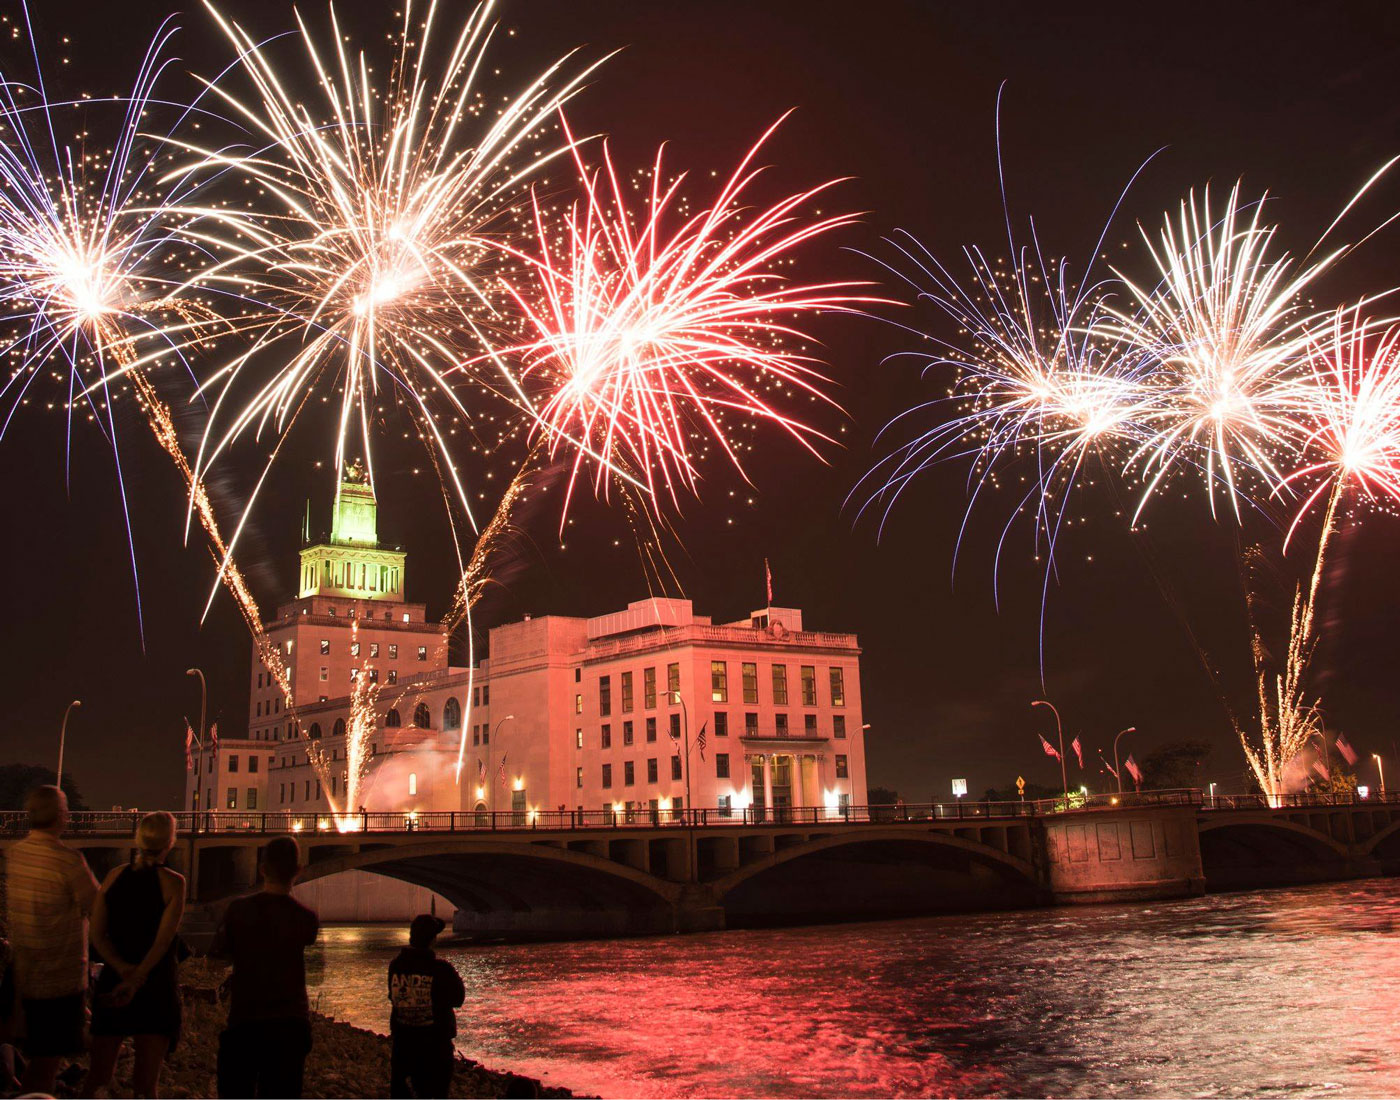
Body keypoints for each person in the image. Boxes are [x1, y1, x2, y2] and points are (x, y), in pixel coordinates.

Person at [2, 785, 98, 1095]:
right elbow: (97, 906)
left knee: (41, 1058)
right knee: (46, 1066)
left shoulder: (16, 854)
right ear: (60, 816)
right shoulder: (67, 860)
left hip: (27, 974)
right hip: (60, 978)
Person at [85, 810, 186, 1098]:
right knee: (145, 1084)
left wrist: (121, 969)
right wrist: (138, 976)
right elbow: (163, 942)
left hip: (114, 979)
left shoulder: (114, 877)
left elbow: (96, 935)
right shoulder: (174, 883)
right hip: (155, 985)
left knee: (97, 1077)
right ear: (170, 842)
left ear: (138, 839)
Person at [211, 835, 319, 1099]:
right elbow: (317, 974)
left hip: (245, 1019)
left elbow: (217, 959)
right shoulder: (306, 918)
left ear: (261, 869)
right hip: (290, 1022)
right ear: (298, 871)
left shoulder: (238, 910)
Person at [387, 914, 465, 1098]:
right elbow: (458, 999)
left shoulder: (396, 966)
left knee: (402, 1091)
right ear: (433, 940)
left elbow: (393, 997)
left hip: (403, 1043)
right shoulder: (441, 969)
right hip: (435, 1046)